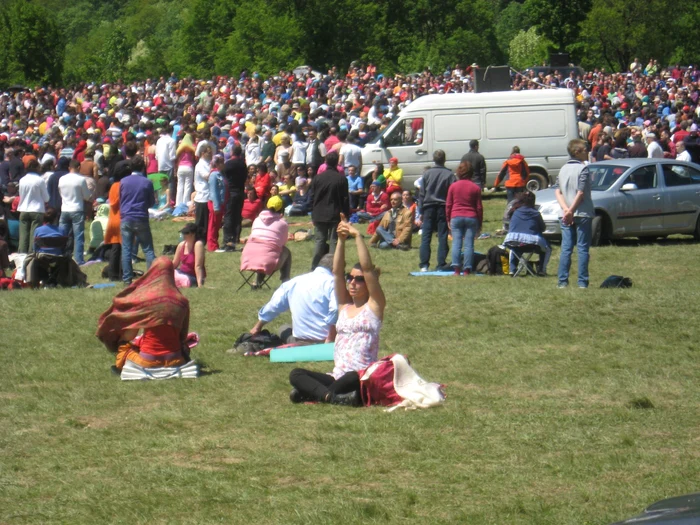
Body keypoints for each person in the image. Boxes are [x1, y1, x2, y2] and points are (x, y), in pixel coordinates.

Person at [288, 215, 385, 406]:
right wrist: (340, 240)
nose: (353, 282)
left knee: (351, 377)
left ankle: (314, 395)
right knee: (296, 374)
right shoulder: (344, 306)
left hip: (359, 377)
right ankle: (330, 397)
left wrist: (357, 237)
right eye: (351, 278)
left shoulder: (374, 306)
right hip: (336, 376)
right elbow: (337, 272)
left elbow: (367, 268)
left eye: (359, 279)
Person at [96, 257, 192, 374]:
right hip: (176, 360)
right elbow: (182, 337)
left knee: (124, 347)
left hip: (147, 362)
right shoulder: (182, 301)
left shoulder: (146, 299)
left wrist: (120, 339)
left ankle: (120, 366)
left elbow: (130, 335)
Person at [250, 253, 337, 344]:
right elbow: (335, 309)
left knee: (284, 328)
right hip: (328, 340)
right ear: (336, 269)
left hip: (300, 340)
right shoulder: (333, 283)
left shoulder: (294, 282)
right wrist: (330, 337)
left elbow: (274, 305)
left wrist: (257, 326)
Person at [555, 139, 594, 289]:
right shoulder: (583, 169)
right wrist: (570, 210)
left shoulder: (563, 168)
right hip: (582, 212)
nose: (587, 152)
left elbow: (557, 191)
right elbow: (581, 192)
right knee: (582, 248)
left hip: (565, 214)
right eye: (585, 149)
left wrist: (565, 209)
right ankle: (582, 282)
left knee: (566, 248)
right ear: (577, 152)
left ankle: (562, 281)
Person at [309, 151, 350, 270]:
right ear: (337, 163)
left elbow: (311, 196)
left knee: (319, 241)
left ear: (325, 162)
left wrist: (313, 211)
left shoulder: (317, 178)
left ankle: (314, 268)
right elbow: (345, 199)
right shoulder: (341, 179)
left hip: (318, 213)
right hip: (335, 213)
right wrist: (346, 215)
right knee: (334, 242)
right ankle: (333, 268)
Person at [119, 156, 156, 285]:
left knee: (126, 249)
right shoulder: (147, 182)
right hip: (141, 217)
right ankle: (152, 278)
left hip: (126, 218)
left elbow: (121, 199)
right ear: (143, 167)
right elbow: (151, 202)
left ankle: (127, 279)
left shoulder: (123, 182)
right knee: (148, 249)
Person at [240, 195, 291, 287]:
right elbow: (282, 243)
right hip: (268, 261)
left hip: (247, 259)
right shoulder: (283, 223)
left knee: (264, 252)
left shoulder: (257, 219)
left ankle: (256, 282)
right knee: (285, 252)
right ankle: (285, 281)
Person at [418, 149, 455, 271]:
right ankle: (440, 264)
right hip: (443, 207)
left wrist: (420, 211)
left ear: (434, 159)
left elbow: (421, 194)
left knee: (426, 236)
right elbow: (452, 194)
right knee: (442, 235)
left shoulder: (427, 174)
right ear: (444, 159)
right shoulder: (450, 175)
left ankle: (424, 264)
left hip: (428, 206)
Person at [446, 161, 482, 275]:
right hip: (471, 217)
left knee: (456, 243)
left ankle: (456, 269)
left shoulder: (453, 186)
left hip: (456, 216)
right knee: (469, 244)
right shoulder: (475, 188)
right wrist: (480, 223)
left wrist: (448, 219)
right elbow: (479, 207)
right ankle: (467, 269)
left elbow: (448, 204)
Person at [504, 191, 551, 276]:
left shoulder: (515, 211)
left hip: (513, 240)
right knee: (547, 249)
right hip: (532, 242)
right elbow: (543, 228)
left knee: (513, 248)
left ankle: (512, 269)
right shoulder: (535, 213)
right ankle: (541, 270)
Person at [58, 159, 91, 265]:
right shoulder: (81, 180)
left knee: (63, 236)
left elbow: (60, 193)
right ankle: (79, 259)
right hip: (77, 209)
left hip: (65, 209)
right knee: (78, 236)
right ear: (78, 168)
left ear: (69, 168)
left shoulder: (62, 179)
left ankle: (62, 255)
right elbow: (87, 196)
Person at [17, 160, 49, 253]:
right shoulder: (40, 180)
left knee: (23, 236)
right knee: (34, 236)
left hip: (23, 209)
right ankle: (32, 254)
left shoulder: (22, 180)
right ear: (37, 168)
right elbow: (46, 198)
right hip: (36, 209)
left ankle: (22, 255)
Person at [222, 144, 247, 251]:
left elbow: (222, 175)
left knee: (229, 216)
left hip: (231, 192)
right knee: (237, 216)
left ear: (232, 152)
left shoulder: (229, 164)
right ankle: (236, 237)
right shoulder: (243, 164)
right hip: (241, 191)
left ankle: (228, 238)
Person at [173, 223, 205, 288]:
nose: (184, 235)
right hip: (181, 272)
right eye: (183, 233)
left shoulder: (198, 244)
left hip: (192, 277)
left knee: (179, 278)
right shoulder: (181, 245)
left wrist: (200, 284)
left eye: (186, 233)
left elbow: (198, 266)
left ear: (193, 234)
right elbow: (175, 264)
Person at [193, 144, 212, 242]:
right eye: (209, 152)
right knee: (200, 221)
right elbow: (207, 176)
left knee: (207, 221)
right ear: (202, 153)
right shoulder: (200, 165)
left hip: (208, 195)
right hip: (202, 196)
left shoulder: (209, 163)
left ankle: (205, 239)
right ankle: (198, 239)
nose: (211, 154)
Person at [207, 155, 226, 251]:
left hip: (219, 203)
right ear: (218, 164)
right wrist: (216, 206)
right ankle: (212, 246)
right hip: (215, 204)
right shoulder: (214, 175)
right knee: (213, 225)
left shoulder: (219, 174)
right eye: (222, 162)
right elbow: (214, 191)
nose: (224, 164)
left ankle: (215, 244)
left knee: (217, 225)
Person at [156, 125, 177, 203]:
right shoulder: (171, 141)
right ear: (172, 131)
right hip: (169, 164)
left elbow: (157, 155)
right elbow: (172, 156)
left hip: (160, 164)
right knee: (170, 183)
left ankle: (162, 201)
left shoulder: (159, 140)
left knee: (161, 184)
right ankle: (170, 201)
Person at [175, 133, 196, 207]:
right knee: (188, 186)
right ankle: (185, 204)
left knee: (180, 186)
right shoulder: (192, 148)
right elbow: (195, 157)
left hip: (181, 167)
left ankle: (178, 204)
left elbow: (177, 157)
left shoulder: (180, 147)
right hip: (189, 167)